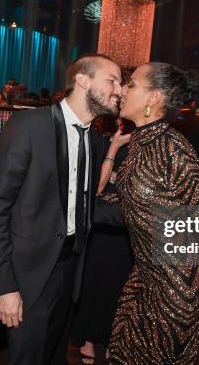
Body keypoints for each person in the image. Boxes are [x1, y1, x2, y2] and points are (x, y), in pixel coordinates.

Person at [0, 54, 122, 365]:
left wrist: (139, 214)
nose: (120, 90)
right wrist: (4, 285)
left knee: (54, 356)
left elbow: (82, 208)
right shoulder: (28, 125)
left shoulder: (95, 140)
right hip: (28, 276)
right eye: (112, 80)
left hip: (70, 270)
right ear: (83, 81)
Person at [108, 62, 199, 364]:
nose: (122, 89)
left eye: (131, 84)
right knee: (123, 352)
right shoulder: (139, 141)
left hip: (177, 283)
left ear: (154, 98)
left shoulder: (174, 149)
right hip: (145, 274)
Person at [70, 116, 133, 365]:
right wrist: (114, 147)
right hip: (99, 225)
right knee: (92, 282)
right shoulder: (100, 142)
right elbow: (97, 188)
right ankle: (86, 339)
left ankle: (110, 340)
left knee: (117, 286)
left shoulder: (142, 149)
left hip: (123, 227)